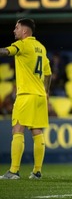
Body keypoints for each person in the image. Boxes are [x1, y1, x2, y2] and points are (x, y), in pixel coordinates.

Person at [0, 18, 52, 180]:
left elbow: (6, 52)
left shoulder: (22, 45)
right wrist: (46, 91)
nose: (14, 31)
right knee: (37, 132)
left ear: (24, 31)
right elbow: (48, 73)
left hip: (26, 96)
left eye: (16, 28)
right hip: (40, 96)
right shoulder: (41, 48)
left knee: (17, 130)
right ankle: (37, 171)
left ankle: (14, 171)